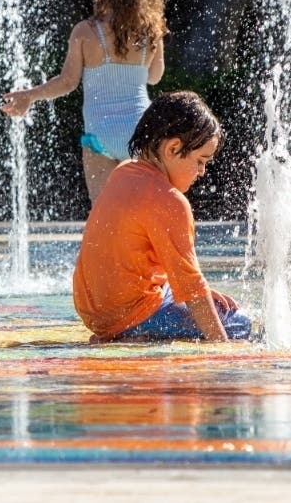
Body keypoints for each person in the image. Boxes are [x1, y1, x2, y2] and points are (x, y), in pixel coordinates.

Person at [72, 91, 252, 343]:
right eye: (201, 161)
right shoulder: (169, 201)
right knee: (239, 323)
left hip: (96, 311)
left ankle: (126, 332)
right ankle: (136, 336)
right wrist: (220, 346)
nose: (202, 172)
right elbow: (191, 287)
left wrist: (203, 296)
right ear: (173, 148)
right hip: (132, 316)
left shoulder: (124, 172)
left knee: (212, 303)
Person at [0, 0, 168, 201]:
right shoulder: (151, 31)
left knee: (105, 220)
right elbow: (154, 76)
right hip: (141, 131)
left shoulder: (86, 32)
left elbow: (67, 83)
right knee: (143, 215)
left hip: (100, 134)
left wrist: (30, 95)